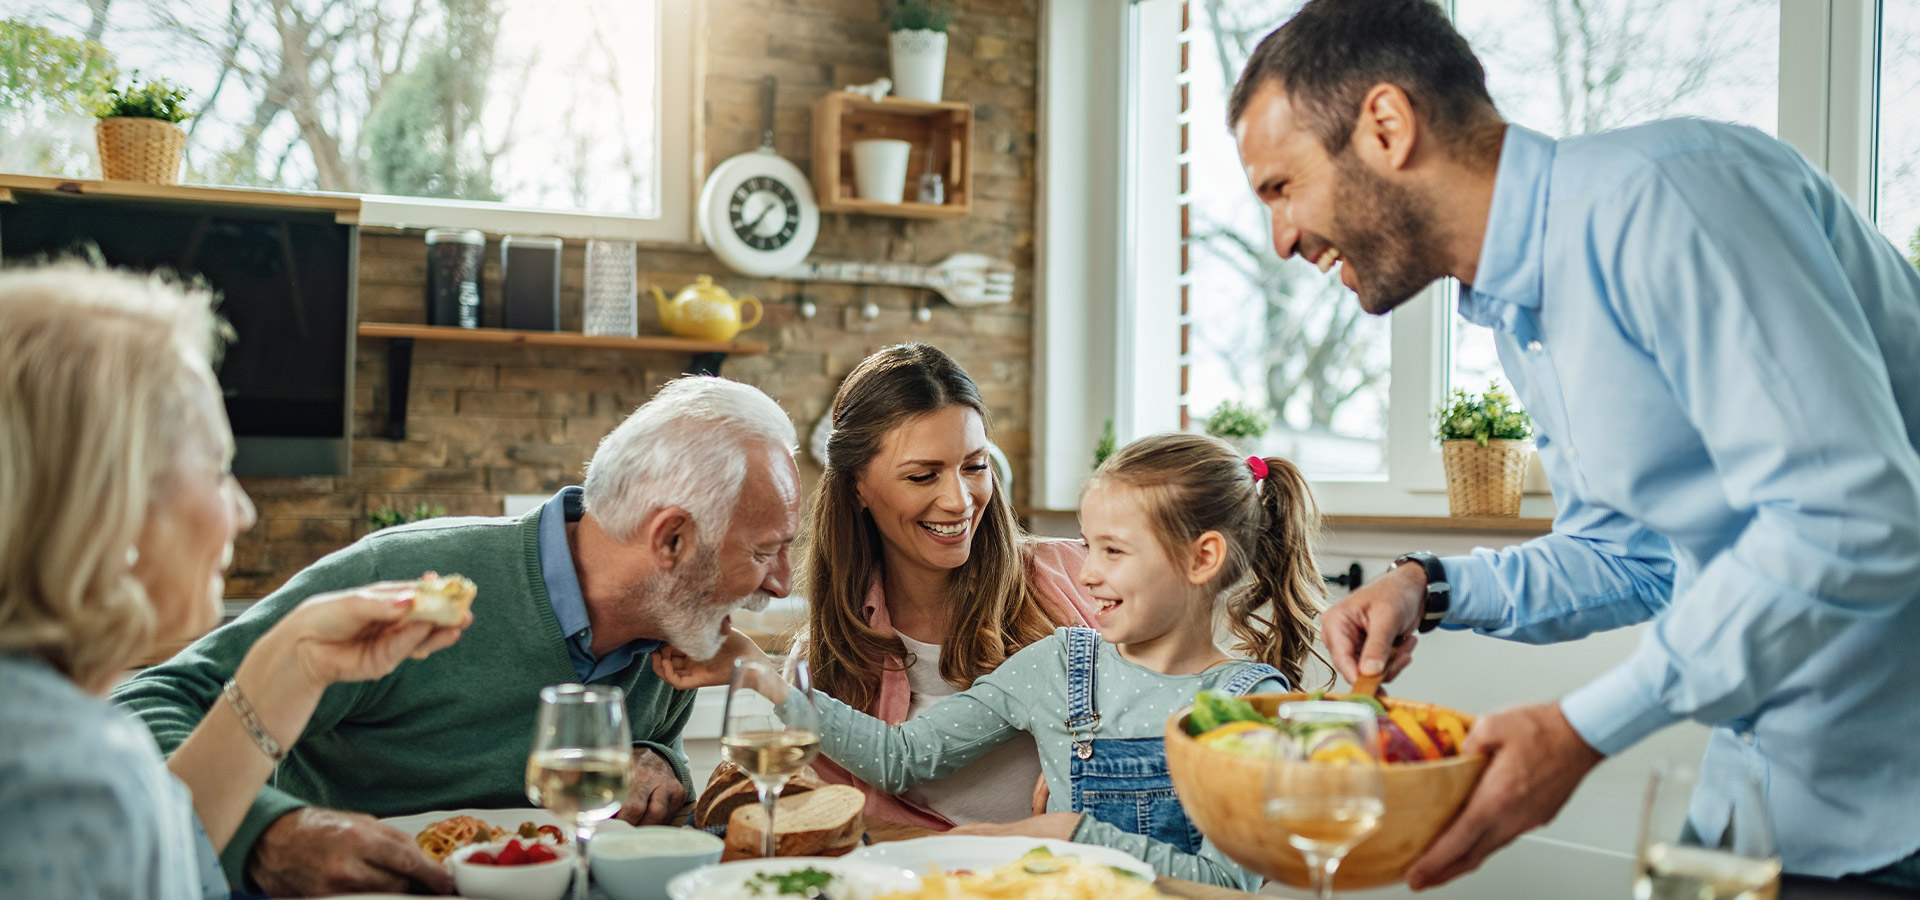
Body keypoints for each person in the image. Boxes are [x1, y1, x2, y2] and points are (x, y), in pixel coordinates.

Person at [1228, 0, 1920, 889]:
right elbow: (1635, 558)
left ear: (1387, 127)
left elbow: (1851, 515)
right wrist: (1426, 587)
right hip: (1766, 804)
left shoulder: (1671, 198)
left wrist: (1581, 730)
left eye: (1281, 188)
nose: (1281, 239)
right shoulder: (1524, 311)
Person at [114, 374, 802, 896]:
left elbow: (641, 784)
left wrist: (661, 764)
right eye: (768, 550)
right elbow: (143, 708)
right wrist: (268, 832)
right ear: (672, 538)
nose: (781, 584)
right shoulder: (409, 577)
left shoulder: (677, 630)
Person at [660, 433, 1327, 889]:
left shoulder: (1245, 704)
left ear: (1202, 558)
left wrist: (1072, 832)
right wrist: (763, 675)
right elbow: (902, 757)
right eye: (1088, 547)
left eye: (1114, 552)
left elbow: (1230, 886)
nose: (1087, 575)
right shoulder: (1061, 664)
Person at [0, 262, 469, 899]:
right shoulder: (69, 782)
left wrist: (295, 661)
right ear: (110, 502)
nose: (243, 512)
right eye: (220, 470)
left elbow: (169, 849)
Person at [788, 342, 1098, 830]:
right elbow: (831, 833)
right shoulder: (823, 666)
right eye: (922, 475)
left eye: (975, 466)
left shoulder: (1082, 576)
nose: (959, 500)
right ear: (856, 488)